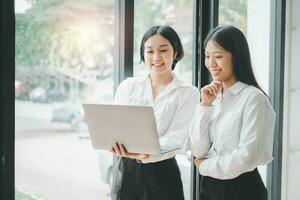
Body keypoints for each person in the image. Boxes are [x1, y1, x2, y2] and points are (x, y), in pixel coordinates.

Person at [110, 25, 199, 200]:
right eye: (149, 51)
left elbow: (177, 139)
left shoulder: (188, 93)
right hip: (128, 171)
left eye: (163, 50)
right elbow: (115, 126)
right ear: (143, 54)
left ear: (175, 53)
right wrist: (114, 142)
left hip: (162, 173)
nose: (156, 57)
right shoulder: (128, 86)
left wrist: (146, 152)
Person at [189, 25, 276, 200]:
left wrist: (204, 166)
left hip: (241, 189)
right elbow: (198, 150)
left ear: (236, 56)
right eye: (207, 56)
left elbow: (246, 157)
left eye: (218, 56)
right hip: (209, 186)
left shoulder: (254, 98)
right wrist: (205, 105)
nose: (211, 63)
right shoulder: (213, 97)